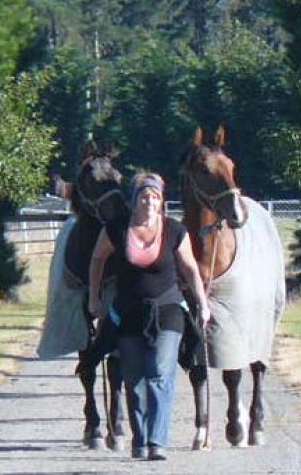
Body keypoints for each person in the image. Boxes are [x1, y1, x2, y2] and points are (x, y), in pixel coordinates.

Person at [88, 172, 210, 461]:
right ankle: (139, 440)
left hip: (167, 310)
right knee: (134, 379)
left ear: (162, 202)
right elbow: (97, 260)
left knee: (159, 373)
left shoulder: (175, 231)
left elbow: (191, 269)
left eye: (155, 197)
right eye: (144, 196)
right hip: (128, 312)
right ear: (135, 200)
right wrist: (94, 297)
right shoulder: (116, 229)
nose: (149, 202)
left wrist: (202, 303)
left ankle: (157, 441)